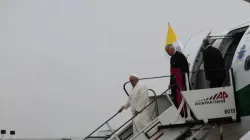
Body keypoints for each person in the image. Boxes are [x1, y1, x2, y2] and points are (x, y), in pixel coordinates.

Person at [165, 44, 189, 111]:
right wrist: (170, 83)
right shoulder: (172, 58)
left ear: (172, 49)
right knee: (175, 98)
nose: (167, 53)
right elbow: (172, 73)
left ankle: (184, 113)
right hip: (174, 83)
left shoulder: (180, 56)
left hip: (181, 82)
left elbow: (184, 70)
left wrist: (183, 82)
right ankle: (178, 112)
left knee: (182, 98)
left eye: (168, 51)